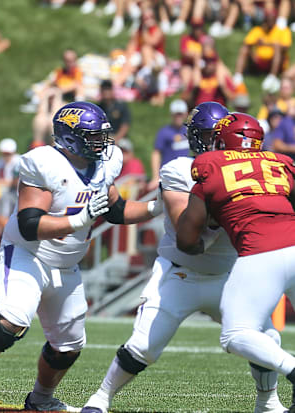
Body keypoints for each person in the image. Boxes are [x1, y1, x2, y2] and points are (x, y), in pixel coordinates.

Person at [0, 101, 163, 413]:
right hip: (29, 254)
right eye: (93, 136)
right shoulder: (45, 163)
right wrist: (79, 220)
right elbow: (30, 225)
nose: (102, 143)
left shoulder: (105, 162)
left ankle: (41, 400)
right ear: (70, 137)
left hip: (66, 262)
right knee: (11, 320)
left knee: (68, 346)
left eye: (102, 135)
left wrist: (157, 206)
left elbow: (117, 209)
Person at [82, 103, 285, 413]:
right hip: (182, 272)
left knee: (267, 338)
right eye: (207, 136)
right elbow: (187, 235)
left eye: (218, 136)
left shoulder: (257, 170)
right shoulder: (180, 168)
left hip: (232, 275)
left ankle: (268, 403)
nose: (214, 143)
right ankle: (100, 399)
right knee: (143, 346)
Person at [177, 112, 295, 413]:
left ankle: (291, 368)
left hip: (260, 251)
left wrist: (211, 233)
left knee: (236, 333)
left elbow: (187, 239)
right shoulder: (281, 163)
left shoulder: (209, 166)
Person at [32, 50, 84, 147]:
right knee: (40, 119)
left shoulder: (77, 72)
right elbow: (52, 83)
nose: (69, 63)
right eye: (67, 60)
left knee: (52, 118)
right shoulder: (60, 72)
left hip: (65, 102)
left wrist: (58, 90)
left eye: (71, 60)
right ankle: (36, 144)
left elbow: (77, 85)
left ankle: (54, 144)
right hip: (54, 100)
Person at [233, 8, 291, 87]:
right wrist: (256, 42)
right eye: (268, 20)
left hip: (276, 62)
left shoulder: (283, 31)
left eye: (272, 20)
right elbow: (246, 43)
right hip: (258, 60)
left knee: (277, 47)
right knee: (244, 49)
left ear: (275, 20)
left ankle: (272, 77)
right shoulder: (258, 30)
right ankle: (238, 76)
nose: (270, 22)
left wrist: (267, 44)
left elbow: (286, 47)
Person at [148, 99, 188, 191]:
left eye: (180, 114)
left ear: (185, 114)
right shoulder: (164, 132)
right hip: (169, 174)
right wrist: (155, 177)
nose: (178, 117)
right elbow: (156, 153)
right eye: (176, 114)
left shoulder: (188, 131)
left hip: (185, 174)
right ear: (171, 115)